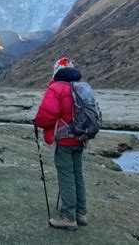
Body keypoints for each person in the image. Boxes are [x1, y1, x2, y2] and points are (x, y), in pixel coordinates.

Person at [35, 58, 87, 231]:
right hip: (80, 138)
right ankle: (81, 213)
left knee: (66, 177)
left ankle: (68, 217)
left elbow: (45, 116)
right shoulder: (80, 87)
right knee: (77, 174)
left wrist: (38, 123)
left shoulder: (56, 88)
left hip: (63, 139)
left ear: (56, 71)